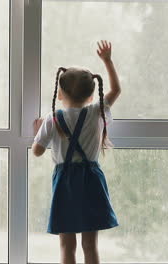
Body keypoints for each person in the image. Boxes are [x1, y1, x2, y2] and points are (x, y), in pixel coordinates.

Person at [32, 40, 121, 264]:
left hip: (65, 182)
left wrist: (38, 133)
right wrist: (108, 61)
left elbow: (37, 152)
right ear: (91, 96)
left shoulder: (52, 119)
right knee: (90, 245)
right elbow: (116, 90)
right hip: (92, 180)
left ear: (59, 94)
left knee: (66, 246)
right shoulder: (95, 112)